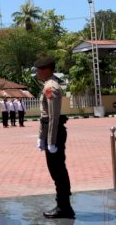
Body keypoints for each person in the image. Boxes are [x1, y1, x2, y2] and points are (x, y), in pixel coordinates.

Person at [35, 56, 74, 219]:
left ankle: (64, 207)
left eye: (38, 69)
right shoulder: (48, 85)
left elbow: (53, 117)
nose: (37, 72)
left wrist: (50, 141)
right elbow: (44, 117)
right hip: (50, 130)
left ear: (46, 70)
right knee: (56, 171)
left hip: (55, 132)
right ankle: (63, 205)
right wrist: (41, 136)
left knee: (58, 171)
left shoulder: (51, 87)